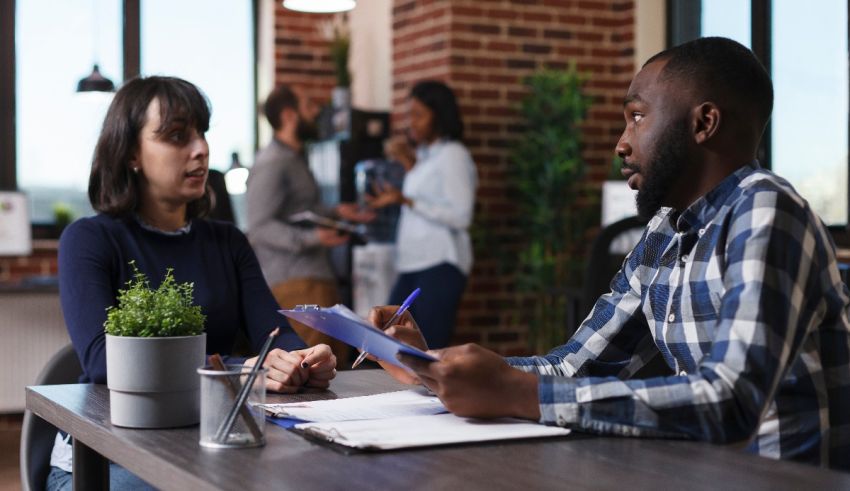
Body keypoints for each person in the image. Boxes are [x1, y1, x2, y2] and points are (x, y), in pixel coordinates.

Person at [369, 37, 850, 471]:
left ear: (704, 123)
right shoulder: (666, 229)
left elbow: (732, 403)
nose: (621, 143)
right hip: (705, 475)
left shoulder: (765, 208)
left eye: (637, 117)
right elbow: (574, 366)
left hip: (785, 479)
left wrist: (517, 392)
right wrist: (433, 366)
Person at [51, 76, 337, 490]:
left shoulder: (228, 242)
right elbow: (104, 363)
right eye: (176, 136)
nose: (200, 148)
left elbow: (276, 336)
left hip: (205, 446)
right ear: (131, 152)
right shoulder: (90, 240)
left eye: (202, 133)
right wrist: (247, 371)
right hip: (104, 457)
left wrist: (303, 361)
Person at [247, 85, 374, 367]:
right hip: (295, 282)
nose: (316, 112)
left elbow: (299, 211)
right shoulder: (273, 162)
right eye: (309, 106)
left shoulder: (294, 157)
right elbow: (260, 227)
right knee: (314, 368)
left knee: (333, 364)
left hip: (313, 278)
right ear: (290, 116)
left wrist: (337, 213)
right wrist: (314, 237)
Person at [367, 80, 477, 349]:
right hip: (414, 266)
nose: (410, 123)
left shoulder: (454, 155)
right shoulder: (427, 157)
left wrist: (407, 199)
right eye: (409, 114)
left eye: (418, 115)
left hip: (439, 264)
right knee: (389, 339)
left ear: (438, 116)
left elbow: (461, 216)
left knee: (424, 352)